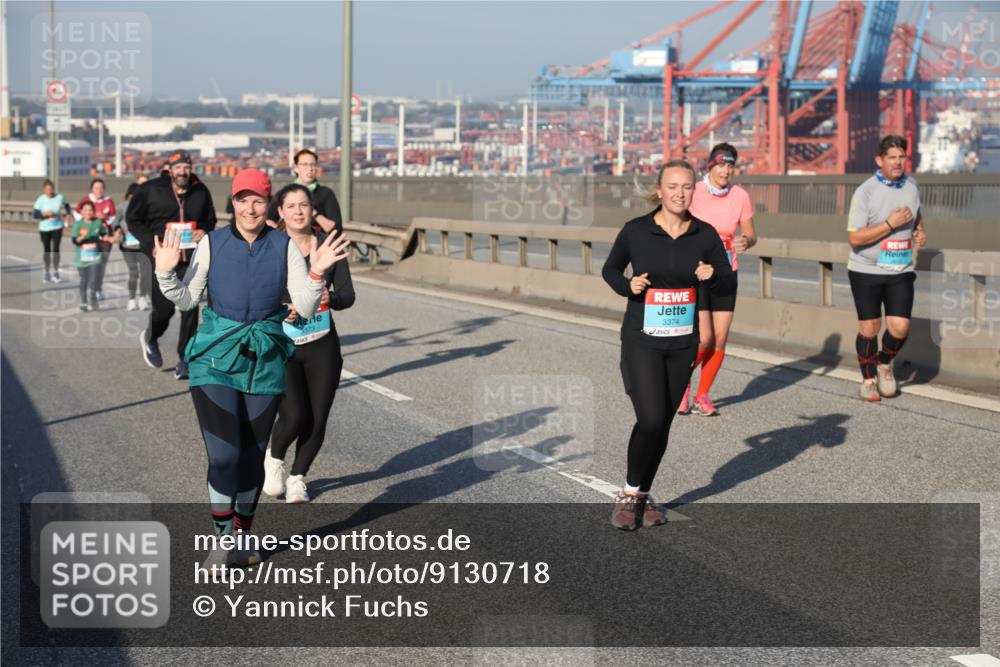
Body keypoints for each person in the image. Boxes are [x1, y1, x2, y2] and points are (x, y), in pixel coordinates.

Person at [153, 169, 350, 567]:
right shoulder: (212, 243)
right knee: (224, 456)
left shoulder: (283, 246)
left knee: (250, 457)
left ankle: (242, 536)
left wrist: (316, 272)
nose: (250, 208)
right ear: (234, 203)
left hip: (265, 358)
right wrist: (164, 271)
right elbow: (188, 299)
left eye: (258, 200)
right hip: (215, 355)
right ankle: (223, 540)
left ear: (268, 204)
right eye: (243, 200)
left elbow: (307, 305)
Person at [602, 160, 735, 530]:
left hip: (682, 342)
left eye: (687, 187)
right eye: (673, 186)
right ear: (659, 190)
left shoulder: (704, 235)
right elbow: (610, 269)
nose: (680, 193)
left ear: (695, 191)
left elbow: (726, 279)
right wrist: (627, 285)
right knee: (651, 417)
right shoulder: (637, 231)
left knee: (663, 426)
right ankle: (629, 494)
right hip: (641, 339)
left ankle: (642, 497)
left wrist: (712, 276)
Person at [263, 183, 355, 504]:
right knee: (295, 415)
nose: (299, 211)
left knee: (317, 419)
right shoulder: (271, 247)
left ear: (312, 209)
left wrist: (334, 296)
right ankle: (274, 460)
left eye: (304, 205)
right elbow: (258, 296)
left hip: (322, 344)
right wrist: (278, 311)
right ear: (281, 212)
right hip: (285, 345)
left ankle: (298, 477)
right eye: (292, 206)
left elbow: (348, 295)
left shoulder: (329, 246)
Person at [846, 135, 926, 402]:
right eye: (892, 157)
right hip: (866, 270)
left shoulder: (912, 187)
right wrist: (890, 225)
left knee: (900, 327)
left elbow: (916, 213)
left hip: (900, 268)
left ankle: (884, 364)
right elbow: (855, 238)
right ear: (879, 161)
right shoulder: (865, 192)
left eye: (901, 157)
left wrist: (919, 231)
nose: (898, 162)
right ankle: (868, 381)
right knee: (870, 328)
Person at [680, 143, 757, 416]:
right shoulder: (695, 192)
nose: (726, 170)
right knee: (705, 339)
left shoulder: (739, 196)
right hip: (698, 272)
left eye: (731, 165)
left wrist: (746, 241)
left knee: (720, 340)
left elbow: (751, 233)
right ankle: (681, 383)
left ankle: (702, 395)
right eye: (722, 164)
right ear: (710, 165)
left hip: (726, 271)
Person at [128, 151, 218, 380]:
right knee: (164, 310)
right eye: (178, 167)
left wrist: (204, 231)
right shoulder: (150, 189)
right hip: (159, 258)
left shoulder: (201, 190)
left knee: (190, 307)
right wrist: (150, 244)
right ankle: (150, 336)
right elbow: (133, 219)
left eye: (186, 167)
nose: (182, 172)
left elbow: (210, 219)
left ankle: (185, 359)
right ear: (170, 168)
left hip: (190, 259)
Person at [266, 149, 343, 233]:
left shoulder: (326, 193)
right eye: (305, 165)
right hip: (290, 244)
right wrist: (283, 234)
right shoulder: (284, 194)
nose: (310, 168)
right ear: (295, 168)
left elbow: (336, 229)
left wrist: (315, 214)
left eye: (313, 165)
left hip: (318, 243)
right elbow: (267, 220)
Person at [75, 178, 118, 301]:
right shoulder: (86, 200)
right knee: (90, 264)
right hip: (90, 239)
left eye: (101, 188)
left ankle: (97, 289)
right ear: (92, 189)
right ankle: (89, 286)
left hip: (104, 239)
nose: (99, 190)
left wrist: (105, 218)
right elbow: (77, 215)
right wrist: (92, 217)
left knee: (101, 265)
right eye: (96, 188)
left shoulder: (109, 201)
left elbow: (113, 218)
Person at [71, 200, 112, 311]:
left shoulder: (97, 222)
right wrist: (80, 238)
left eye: (90, 210)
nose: (88, 212)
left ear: (93, 211)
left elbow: (103, 235)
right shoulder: (78, 224)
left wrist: (112, 238)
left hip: (95, 257)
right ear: (81, 212)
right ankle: (83, 302)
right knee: (84, 279)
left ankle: (93, 300)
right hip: (82, 258)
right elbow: (74, 240)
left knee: (94, 280)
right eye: (86, 210)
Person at [119, 180, 152, 311]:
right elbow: (115, 222)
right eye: (133, 195)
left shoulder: (147, 207)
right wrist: (118, 230)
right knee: (134, 273)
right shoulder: (122, 206)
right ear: (129, 194)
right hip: (128, 246)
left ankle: (142, 298)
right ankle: (132, 299)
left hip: (143, 246)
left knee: (145, 274)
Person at [33, 179, 71, 283]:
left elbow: (67, 206)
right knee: (47, 250)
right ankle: (46, 272)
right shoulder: (41, 199)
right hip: (44, 228)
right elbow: (35, 215)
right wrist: (44, 214)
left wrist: (68, 215)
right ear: (44, 190)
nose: (49, 191)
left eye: (51, 189)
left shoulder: (60, 197)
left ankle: (56, 272)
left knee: (56, 249)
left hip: (57, 226)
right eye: (47, 189)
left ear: (54, 189)